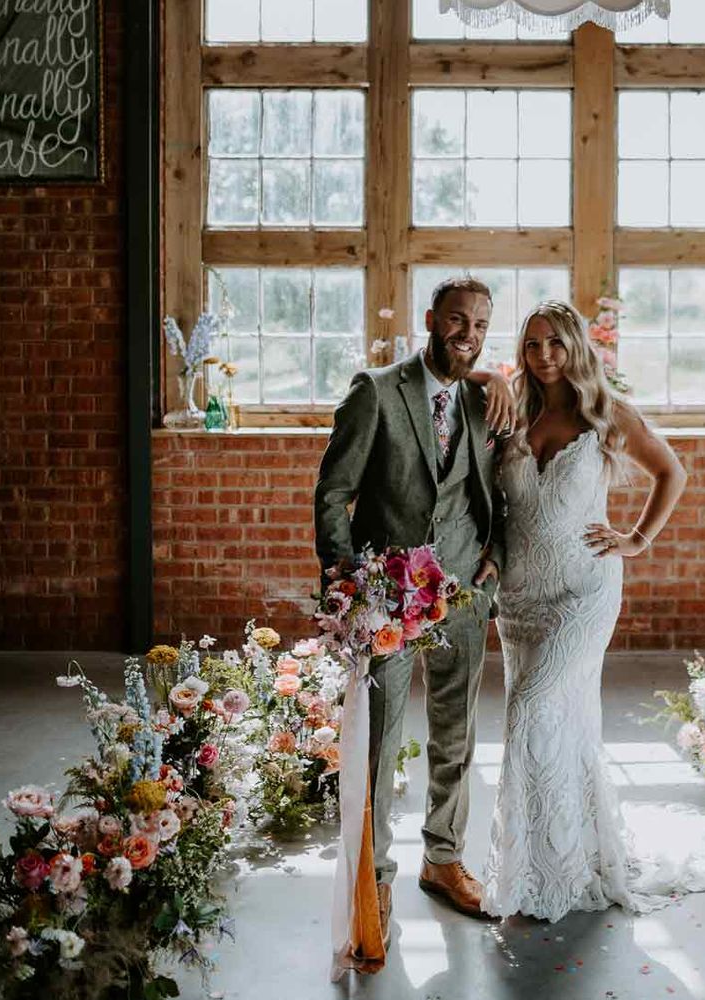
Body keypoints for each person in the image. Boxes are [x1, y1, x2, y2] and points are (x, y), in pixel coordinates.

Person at [478, 299, 690, 922]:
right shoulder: (510, 411)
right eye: (533, 344)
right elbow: (495, 506)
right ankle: (562, 859)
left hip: (584, 590)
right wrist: (489, 376)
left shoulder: (606, 415)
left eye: (556, 343)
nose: (544, 355)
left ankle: (536, 874)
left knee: (530, 709)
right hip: (519, 599)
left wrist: (637, 538)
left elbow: (670, 472)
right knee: (557, 725)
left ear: (575, 347)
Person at [314, 276, 508, 946]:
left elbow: (511, 489)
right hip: (387, 598)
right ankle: (376, 878)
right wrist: (347, 581)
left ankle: (444, 859)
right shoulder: (376, 391)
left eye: (481, 325)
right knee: (380, 738)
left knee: (456, 733)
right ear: (431, 320)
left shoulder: (487, 399)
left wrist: (497, 558)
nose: (469, 335)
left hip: (461, 596)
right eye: (458, 321)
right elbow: (334, 489)